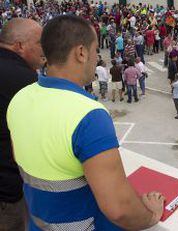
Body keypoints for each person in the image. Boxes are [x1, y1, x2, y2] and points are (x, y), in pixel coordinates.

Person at [7, 15, 164, 230]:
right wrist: (151, 215)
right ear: (81, 53)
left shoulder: (20, 98)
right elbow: (119, 208)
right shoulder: (88, 115)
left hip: (37, 223)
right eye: (96, 49)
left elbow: (23, 160)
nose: (97, 56)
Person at [0, 18, 43, 231]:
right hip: (7, 192)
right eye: (40, 43)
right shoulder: (24, 80)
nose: (44, 49)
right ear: (19, 46)